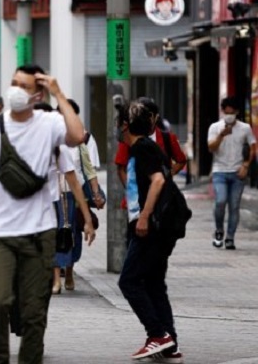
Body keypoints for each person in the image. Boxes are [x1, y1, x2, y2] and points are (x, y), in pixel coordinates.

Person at [0, 65, 86, 364]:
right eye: (13, 83)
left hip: (39, 232)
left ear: (37, 93)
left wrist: (58, 93)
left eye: (24, 86)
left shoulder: (50, 122)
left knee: (34, 311)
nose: (15, 90)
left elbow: (77, 135)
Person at [116, 101, 182, 362]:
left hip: (150, 228)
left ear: (124, 126)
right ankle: (170, 345)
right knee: (154, 284)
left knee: (128, 281)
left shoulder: (143, 147)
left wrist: (143, 217)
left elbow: (157, 180)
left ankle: (158, 334)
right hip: (157, 227)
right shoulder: (145, 147)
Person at [32, 103, 96, 295]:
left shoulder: (68, 142)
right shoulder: (24, 142)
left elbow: (83, 174)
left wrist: (88, 217)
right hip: (37, 198)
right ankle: (52, 275)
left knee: (66, 233)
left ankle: (66, 271)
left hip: (65, 194)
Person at [207, 96, 256, 250]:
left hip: (237, 173)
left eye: (232, 113)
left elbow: (253, 146)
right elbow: (211, 148)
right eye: (227, 112)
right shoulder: (215, 127)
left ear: (237, 112)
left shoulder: (245, 128)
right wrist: (221, 135)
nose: (229, 115)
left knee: (234, 206)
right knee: (220, 201)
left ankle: (230, 238)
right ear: (223, 111)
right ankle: (219, 230)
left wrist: (246, 165)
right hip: (219, 171)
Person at [115, 97, 186, 190]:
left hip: (162, 195)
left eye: (147, 115)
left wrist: (169, 174)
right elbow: (121, 168)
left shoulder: (167, 138)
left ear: (155, 117)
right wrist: (131, 191)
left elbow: (181, 161)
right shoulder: (128, 138)